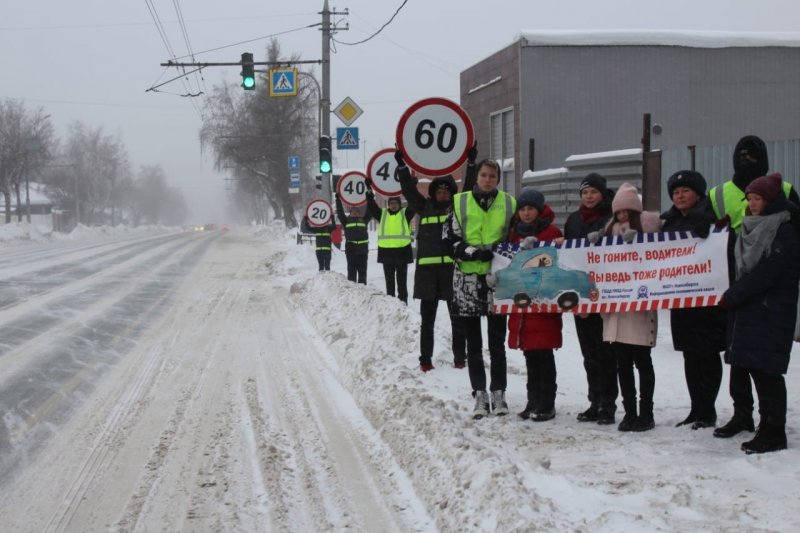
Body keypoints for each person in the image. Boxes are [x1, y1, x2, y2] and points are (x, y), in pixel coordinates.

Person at [709, 135, 800, 439]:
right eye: (749, 199)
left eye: (757, 199)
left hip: (767, 307)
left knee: (766, 370)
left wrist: (734, 294)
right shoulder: (748, 226)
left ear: (771, 200)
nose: (751, 204)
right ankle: (744, 416)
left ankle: (773, 429)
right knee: (742, 362)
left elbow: (768, 272)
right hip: (747, 306)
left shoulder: (783, 230)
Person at [443, 158, 516, 419]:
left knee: (497, 342)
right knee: (473, 343)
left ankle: (499, 392)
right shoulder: (459, 202)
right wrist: (471, 252)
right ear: (477, 177)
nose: (487, 180)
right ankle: (480, 394)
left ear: (498, 178)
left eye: (492, 176)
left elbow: (516, 237)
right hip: (467, 281)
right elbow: (448, 239)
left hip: (499, 280)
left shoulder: (509, 203)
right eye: (484, 175)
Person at [397, 147, 476, 372]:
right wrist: (402, 166)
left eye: (446, 191)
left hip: (452, 273)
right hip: (427, 276)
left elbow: (469, 188)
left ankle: (460, 358)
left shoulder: (457, 208)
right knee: (427, 323)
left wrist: (470, 165)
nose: (443, 194)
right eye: (439, 191)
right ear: (433, 193)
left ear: (452, 193)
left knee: (458, 321)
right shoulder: (424, 207)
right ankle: (425, 360)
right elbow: (408, 192)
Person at [660, 170, 727, 429]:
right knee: (690, 355)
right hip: (682, 301)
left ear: (697, 193)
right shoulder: (671, 223)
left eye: (685, 191)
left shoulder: (711, 218)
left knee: (707, 354)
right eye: (675, 193)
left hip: (707, 301)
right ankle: (695, 408)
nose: (680, 196)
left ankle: (707, 410)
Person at [600, 182, 661, 432]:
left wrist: (639, 243)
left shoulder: (649, 229)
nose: (623, 216)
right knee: (622, 364)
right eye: (619, 212)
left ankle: (646, 412)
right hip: (616, 310)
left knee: (642, 362)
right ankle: (630, 411)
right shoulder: (608, 232)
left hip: (639, 308)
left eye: (627, 211)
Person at [504, 187, 564, 421]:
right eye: (523, 209)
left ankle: (547, 403)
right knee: (530, 355)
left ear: (539, 211)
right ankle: (533, 400)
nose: (526, 213)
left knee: (544, 355)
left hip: (543, 305)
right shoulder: (514, 234)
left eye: (530, 209)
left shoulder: (550, 232)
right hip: (522, 307)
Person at [562, 173, 618, 425]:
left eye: (593, 192)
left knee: (607, 354)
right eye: (584, 193)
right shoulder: (574, 220)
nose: (588, 197)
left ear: (602, 193)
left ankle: (608, 403)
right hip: (581, 295)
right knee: (589, 353)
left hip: (605, 295)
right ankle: (594, 400)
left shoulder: (611, 218)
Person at [365, 189, 415, 303]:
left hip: (402, 252)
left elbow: (414, 203)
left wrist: (411, 188)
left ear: (399, 204)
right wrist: (369, 195)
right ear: (389, 205)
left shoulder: (405, 214)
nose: (393, 205)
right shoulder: (382, 214)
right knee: (389, 280)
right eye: (391, 203)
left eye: (396, 203)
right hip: (386, 253)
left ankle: (403, 302)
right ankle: (391, 302)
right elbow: (372, 207)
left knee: (402, 281)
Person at [334, 193, 372, 284]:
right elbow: (340, 212)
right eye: (352, 211)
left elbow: (370, 210)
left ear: (359, 213)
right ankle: (353, 291)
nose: (354, 212)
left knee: (363, 274)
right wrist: (338, 199)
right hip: (351, 251)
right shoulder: (346, 221)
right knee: (351, 275)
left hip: (363, 251)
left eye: (356, 211)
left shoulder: (364, 220)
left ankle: (363, 292)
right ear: (350, 213)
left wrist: (370, 198)